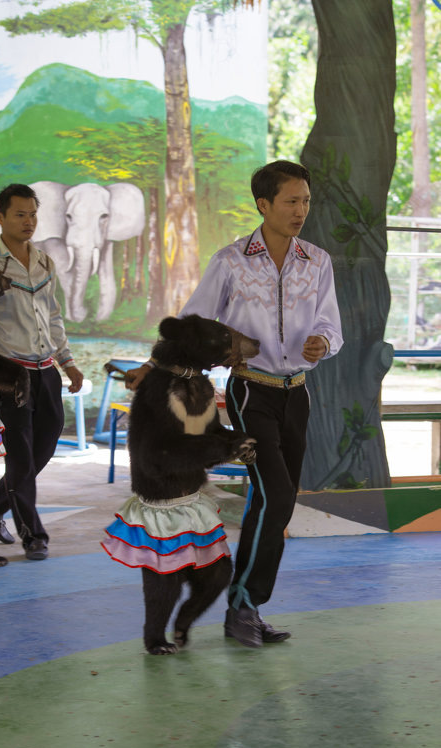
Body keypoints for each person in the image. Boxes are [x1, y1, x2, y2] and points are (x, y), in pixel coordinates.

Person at [125, 160, 343, 646]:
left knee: (274, 500)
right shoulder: (230, 261)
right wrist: (150, 364)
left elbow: (332, 325)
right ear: (263, 205)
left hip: (298, 394)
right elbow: (191, 321)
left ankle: (243, 606)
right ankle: (244, 606)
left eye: (306, 200)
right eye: (291, 201)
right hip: (251, 393)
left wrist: (322, 344)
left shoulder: (318, 261)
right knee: (278, 495)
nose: (301, 210)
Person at [0, 183, 83, 561]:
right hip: (10, 376)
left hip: (46, 370)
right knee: (20, 456)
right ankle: (33, 535)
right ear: (1, 217)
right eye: (20, 214)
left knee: (46, 445)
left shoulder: (43, 261)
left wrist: (67, 362)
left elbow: (52, 315)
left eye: (33, 214)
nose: (28, 221)